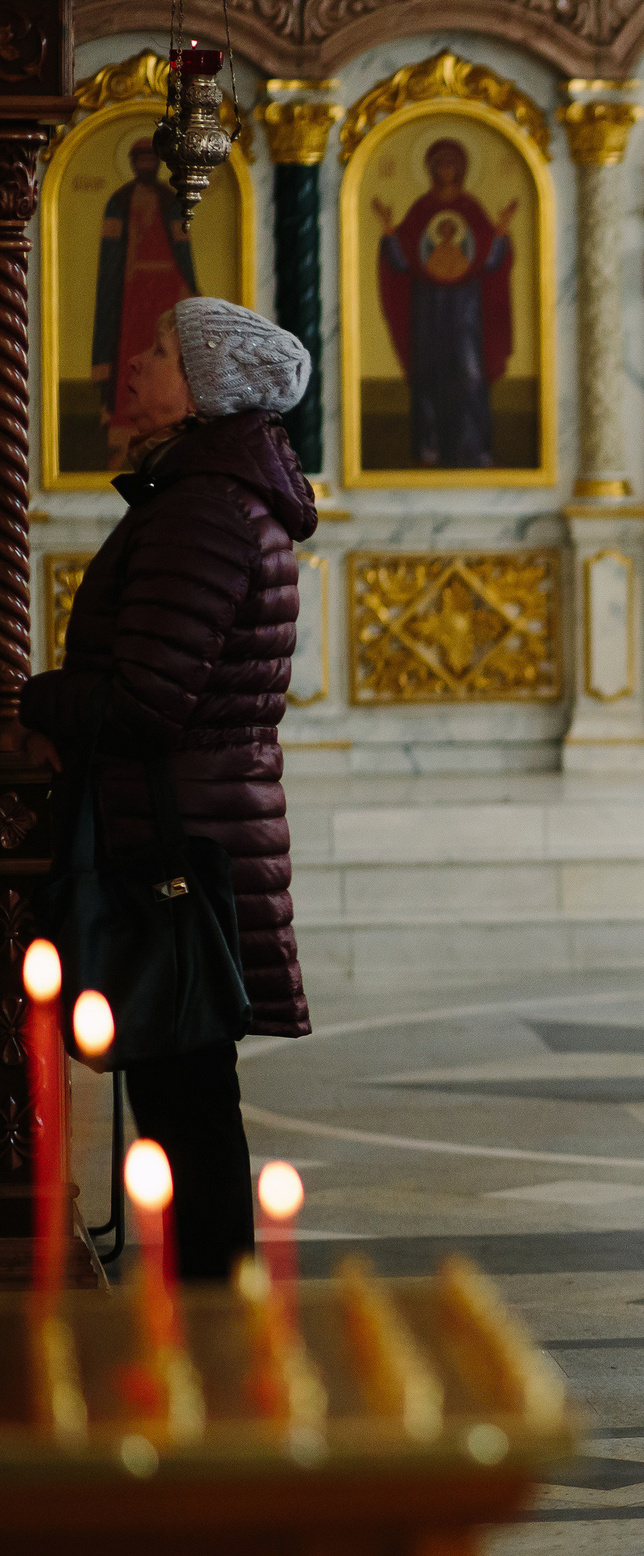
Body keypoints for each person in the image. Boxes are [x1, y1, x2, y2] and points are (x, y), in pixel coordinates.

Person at [17, 296, 316, 1281]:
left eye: (156, 351)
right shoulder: (212, 493)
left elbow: (149, 702)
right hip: (191, 820)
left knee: (186, 1103)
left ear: (202, 388)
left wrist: (38, 702)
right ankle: (213, 1307)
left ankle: (216, 1314)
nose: (136, 363)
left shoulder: (202, 509)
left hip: (173, 839)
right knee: (186, 1097)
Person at [373, 137, 517, 468]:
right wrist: (389, 232)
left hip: (466, 308)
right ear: (431, 169)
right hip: (428, 306)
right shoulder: (422, 210)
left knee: (470, 375)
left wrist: (500, 233)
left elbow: (489, 261)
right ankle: (430, 446)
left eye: (452, 164)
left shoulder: (471, 209)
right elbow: (404, 261)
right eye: (440, 164)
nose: (446, 170)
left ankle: (473, 447)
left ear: (462, 169)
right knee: (428, 374)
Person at [91, 139, 200, 470]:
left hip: (166, 288)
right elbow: (111, 256)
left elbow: (182, 250)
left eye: (152, 159)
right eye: (141, 159)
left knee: (167, 358)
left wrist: (190, 287)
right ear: (133, 162)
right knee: (130, 356)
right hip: (132, 291)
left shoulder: (171, 200)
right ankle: (123, 441)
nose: (147, 165)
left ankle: (168, 437)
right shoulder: (120, 200)